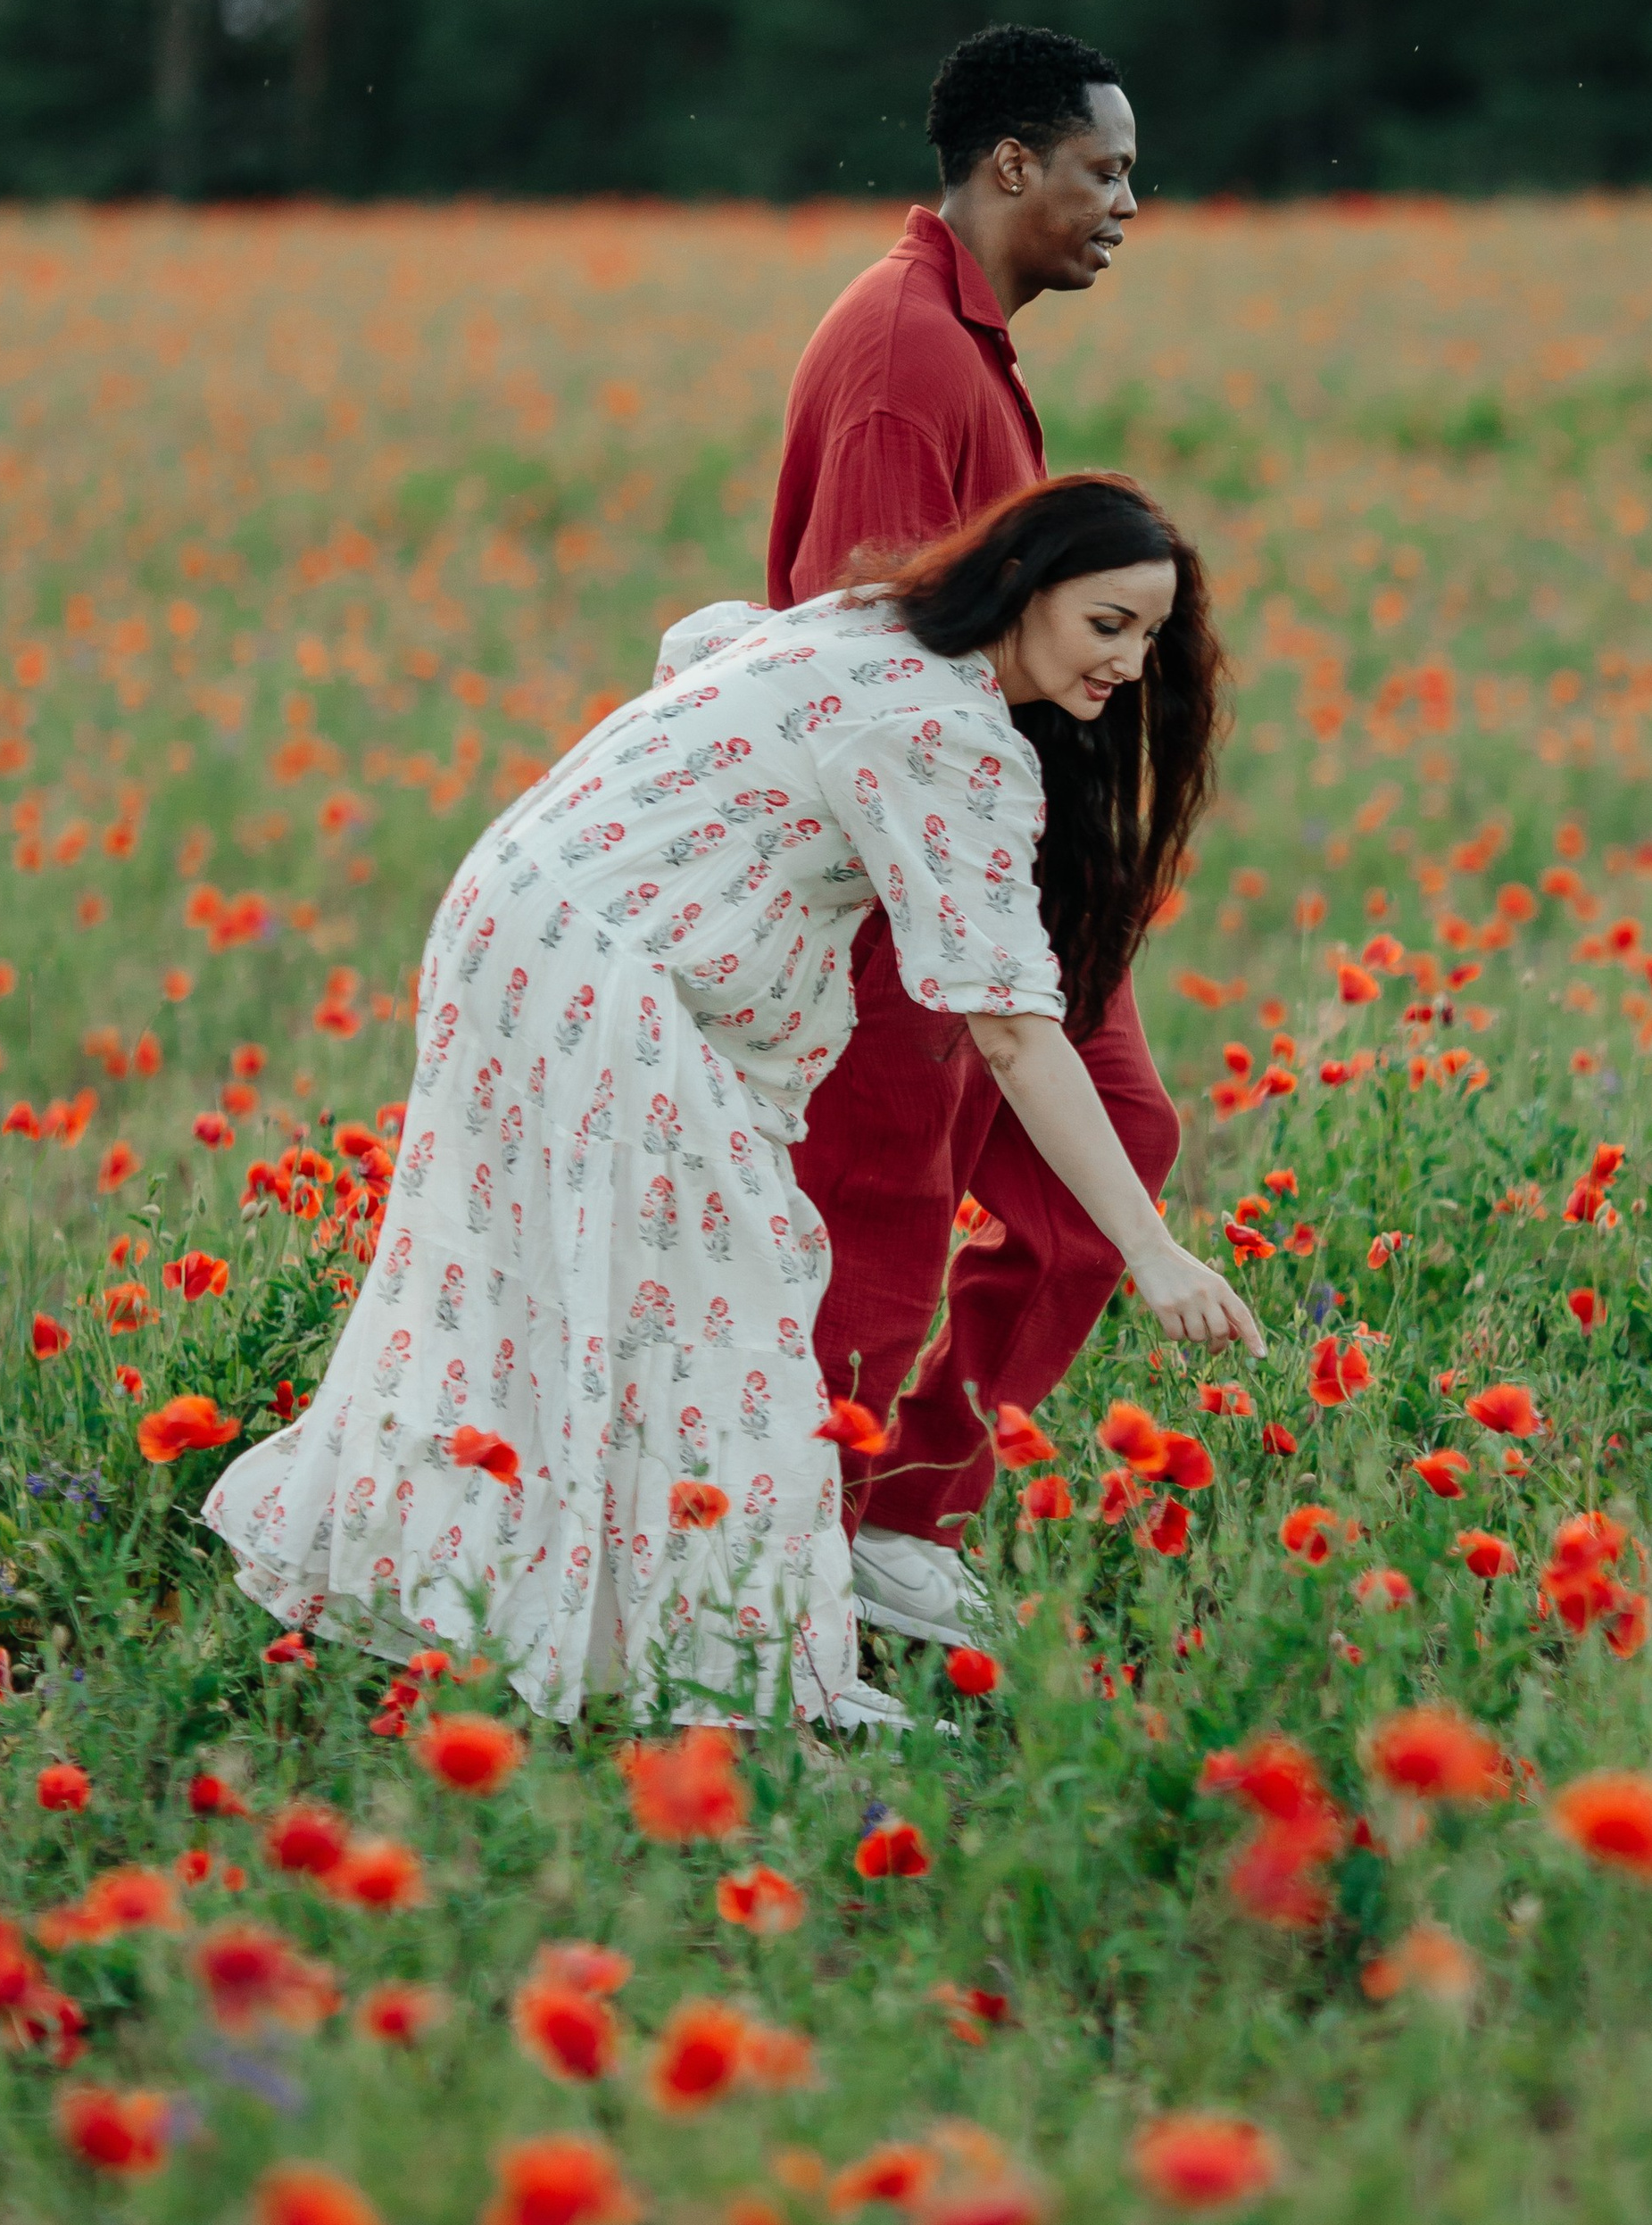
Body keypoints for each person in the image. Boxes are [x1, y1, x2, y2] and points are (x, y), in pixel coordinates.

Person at [204, 473, 1258, 1731]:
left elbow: (695, 645)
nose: (1131, 666)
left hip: (521, 912)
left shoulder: (866, 624)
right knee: (728, 1315)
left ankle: (537, 1618)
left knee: (543, 1294)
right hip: (611, 983)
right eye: (1107, 625)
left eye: (1150, 635)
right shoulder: (946, 731)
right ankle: (739, 1681)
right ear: (1026, 588)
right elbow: (1020, 1038)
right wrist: (1151, 1248)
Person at [770, 23, 1175, 1647]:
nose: (1127, 204)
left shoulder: (964, 339)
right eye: (1105, 169)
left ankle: (904, 1509)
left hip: (1010, 858)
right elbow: (857, 646)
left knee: (1111, 1152)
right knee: (877, 1206)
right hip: (908, 871)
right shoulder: (900, 352)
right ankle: (812, 1549)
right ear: (1013, 164)